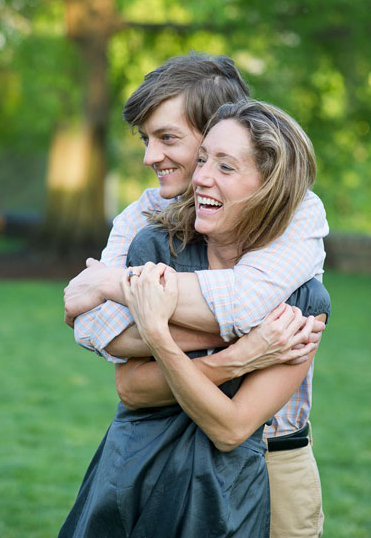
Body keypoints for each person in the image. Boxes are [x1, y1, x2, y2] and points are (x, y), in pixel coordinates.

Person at [63, 54, 328, 537]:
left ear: (220, 131)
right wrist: (241, 352)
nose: (150, 157)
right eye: (146, 140)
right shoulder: (145, 224)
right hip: (162, 452)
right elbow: (94, 327)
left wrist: (120, 289)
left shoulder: (298, 216)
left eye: (167, 138)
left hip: (273, 456)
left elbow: (249, 300)